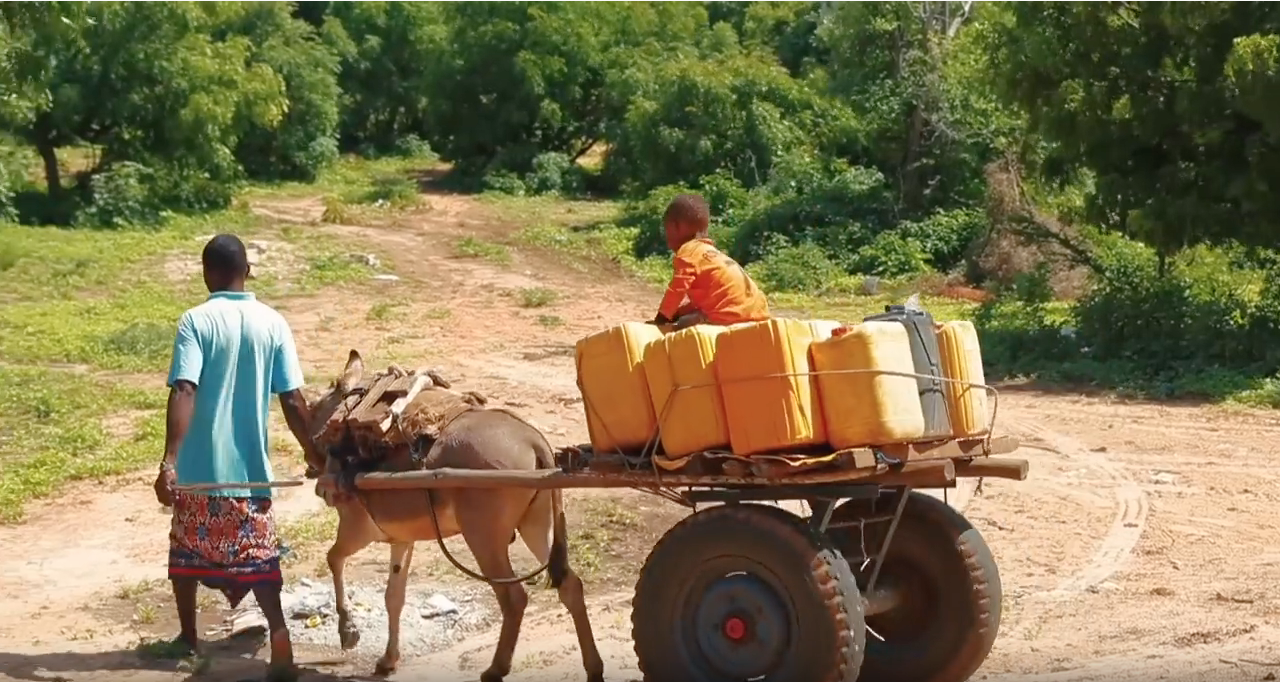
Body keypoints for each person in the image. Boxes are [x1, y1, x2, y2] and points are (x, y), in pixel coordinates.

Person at [153, 234, 321, 680]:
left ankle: (189, 640)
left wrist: (170, 461)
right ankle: (280, 638)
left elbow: (184, 388)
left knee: (186, 553)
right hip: (250, 475)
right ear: (246, 272)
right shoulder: (273, 322)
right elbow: (293, 399)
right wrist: (315, 454)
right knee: (259, 557)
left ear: (206, 273)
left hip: (197, 473)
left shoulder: (195, 321)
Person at [651, 193, 771, 330]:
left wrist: (661, 318)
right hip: (757, 313)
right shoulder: (712, 254)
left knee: (680, 328)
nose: (667, 239)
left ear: (676, 226)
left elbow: (677, 289)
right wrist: (678, 313)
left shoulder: (688, 251)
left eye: (667, 230)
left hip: (728, 316)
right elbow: (710, 300)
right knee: (690, 316)